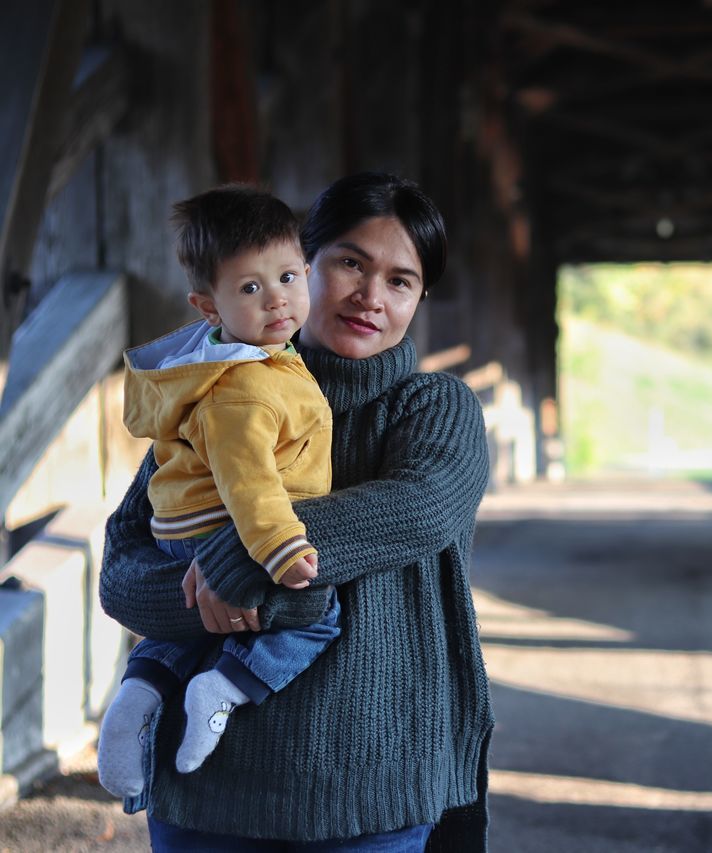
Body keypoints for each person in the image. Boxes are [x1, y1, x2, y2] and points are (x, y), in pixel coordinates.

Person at [99, 173, 493, 851]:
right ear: (301, 264)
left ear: (419, 299)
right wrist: (203, 598)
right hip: (206, 790)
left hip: (371, 793)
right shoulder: (213, 393)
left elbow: (418, 506)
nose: (371, 296)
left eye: (401, 281)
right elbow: (123, 571)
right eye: (350, 263)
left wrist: (239, 563)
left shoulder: (434, 406)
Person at [97, 186, 340, 800]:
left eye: (287, 276)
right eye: (251, 288)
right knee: (318, 615)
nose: (277, 299)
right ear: (208, 306)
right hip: (226, 526)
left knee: (190, 628)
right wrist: (281, 547)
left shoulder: (231, 362)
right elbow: (248, 479)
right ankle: (227, 687)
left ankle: (141, 690)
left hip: (182, 531)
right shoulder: (245, 384)